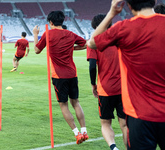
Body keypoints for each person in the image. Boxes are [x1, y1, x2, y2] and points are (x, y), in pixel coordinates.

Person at [88, 0, 165, 149]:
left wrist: (112, 13)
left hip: (139, 114)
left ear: (129, 5)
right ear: (154, 1)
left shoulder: (123, 28)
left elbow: (92, 43)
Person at [33, 10, 88, 144]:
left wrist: (35, 35)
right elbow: (85, 44)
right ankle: (84, 131)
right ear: (62, 21)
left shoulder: (48, 33)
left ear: (51, 22)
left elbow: (36, 50)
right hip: (72, 73)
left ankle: (77, 133)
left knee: (63, 105)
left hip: (58, 75)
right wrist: (72, 49)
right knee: (75, 102)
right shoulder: (70, 34)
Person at [87, 14, 127, 150]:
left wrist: (93, 84)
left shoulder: (95, 42)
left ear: (95, 27)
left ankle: (113, 147)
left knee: (105, 123)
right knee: (125, 124)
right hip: (123, 88)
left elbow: (92, 66)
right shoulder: (119, 40)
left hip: (105, 89)